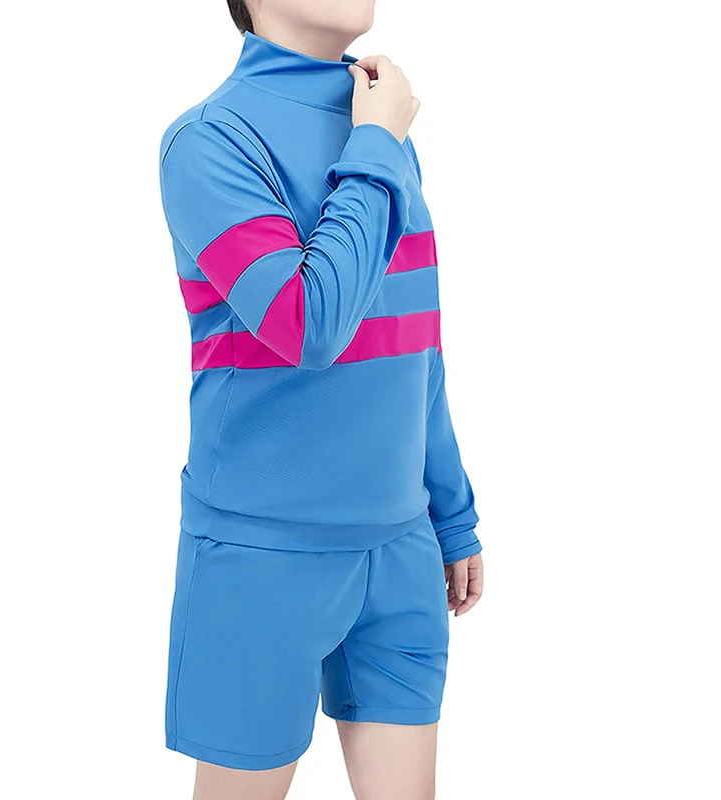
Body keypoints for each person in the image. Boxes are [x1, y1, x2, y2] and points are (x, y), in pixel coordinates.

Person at [157, 1, 484, 797]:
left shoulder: (381, 128)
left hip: (401, 551)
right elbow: (308, 324)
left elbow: (416, 344)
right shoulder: (209, 141)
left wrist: (450, 511)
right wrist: (375, 146)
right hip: (261, 556)